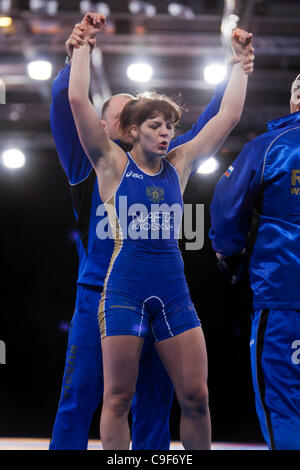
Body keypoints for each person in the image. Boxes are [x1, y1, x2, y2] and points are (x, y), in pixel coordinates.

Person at [48, 14, 251, 450]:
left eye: (169, 127)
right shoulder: (109, 165)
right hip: (120, 289)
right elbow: (78, 103)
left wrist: (240, 64)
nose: (165, 133)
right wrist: (81, 48)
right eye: (155, 126)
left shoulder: (179, 165)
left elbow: (228, 116)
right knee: (116, 399)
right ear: (130, 130)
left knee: (195, 396)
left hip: (173, 291)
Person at [209, 75, 300, 450]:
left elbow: (228, 209)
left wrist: (229, 257)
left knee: (285, 404)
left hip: (284, 295)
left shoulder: (270, 147)